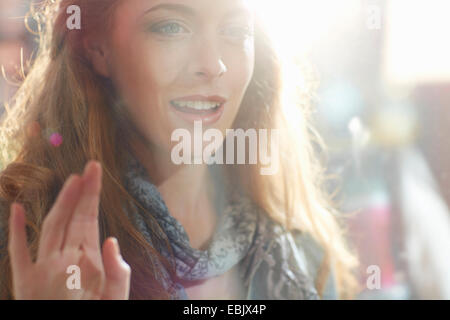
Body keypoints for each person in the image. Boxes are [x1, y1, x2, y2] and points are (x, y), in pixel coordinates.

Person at [0, 0, 358, 300]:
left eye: (236, 31)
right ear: (96, 46)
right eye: (171, 27)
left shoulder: (304, 259)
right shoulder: (18, 234)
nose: (212, 65)